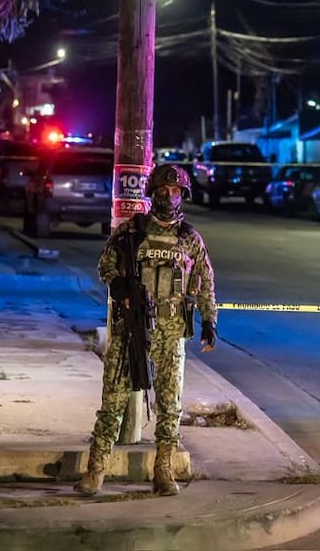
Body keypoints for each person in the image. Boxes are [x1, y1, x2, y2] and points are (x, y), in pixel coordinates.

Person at [75, 163, 217, 497]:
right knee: (113, 401)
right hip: (132, 330)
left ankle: (163, 471)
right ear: (152, 193)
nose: (170, 197)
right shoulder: (130, 233)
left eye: (176, 192)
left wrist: (210, 320)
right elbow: (105, 265)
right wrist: (119, 285)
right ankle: (96, 471)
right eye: (164, 191)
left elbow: (206, 280)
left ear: (184, 195)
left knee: (170, 405)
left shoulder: (190, 239)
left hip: (171, 332)